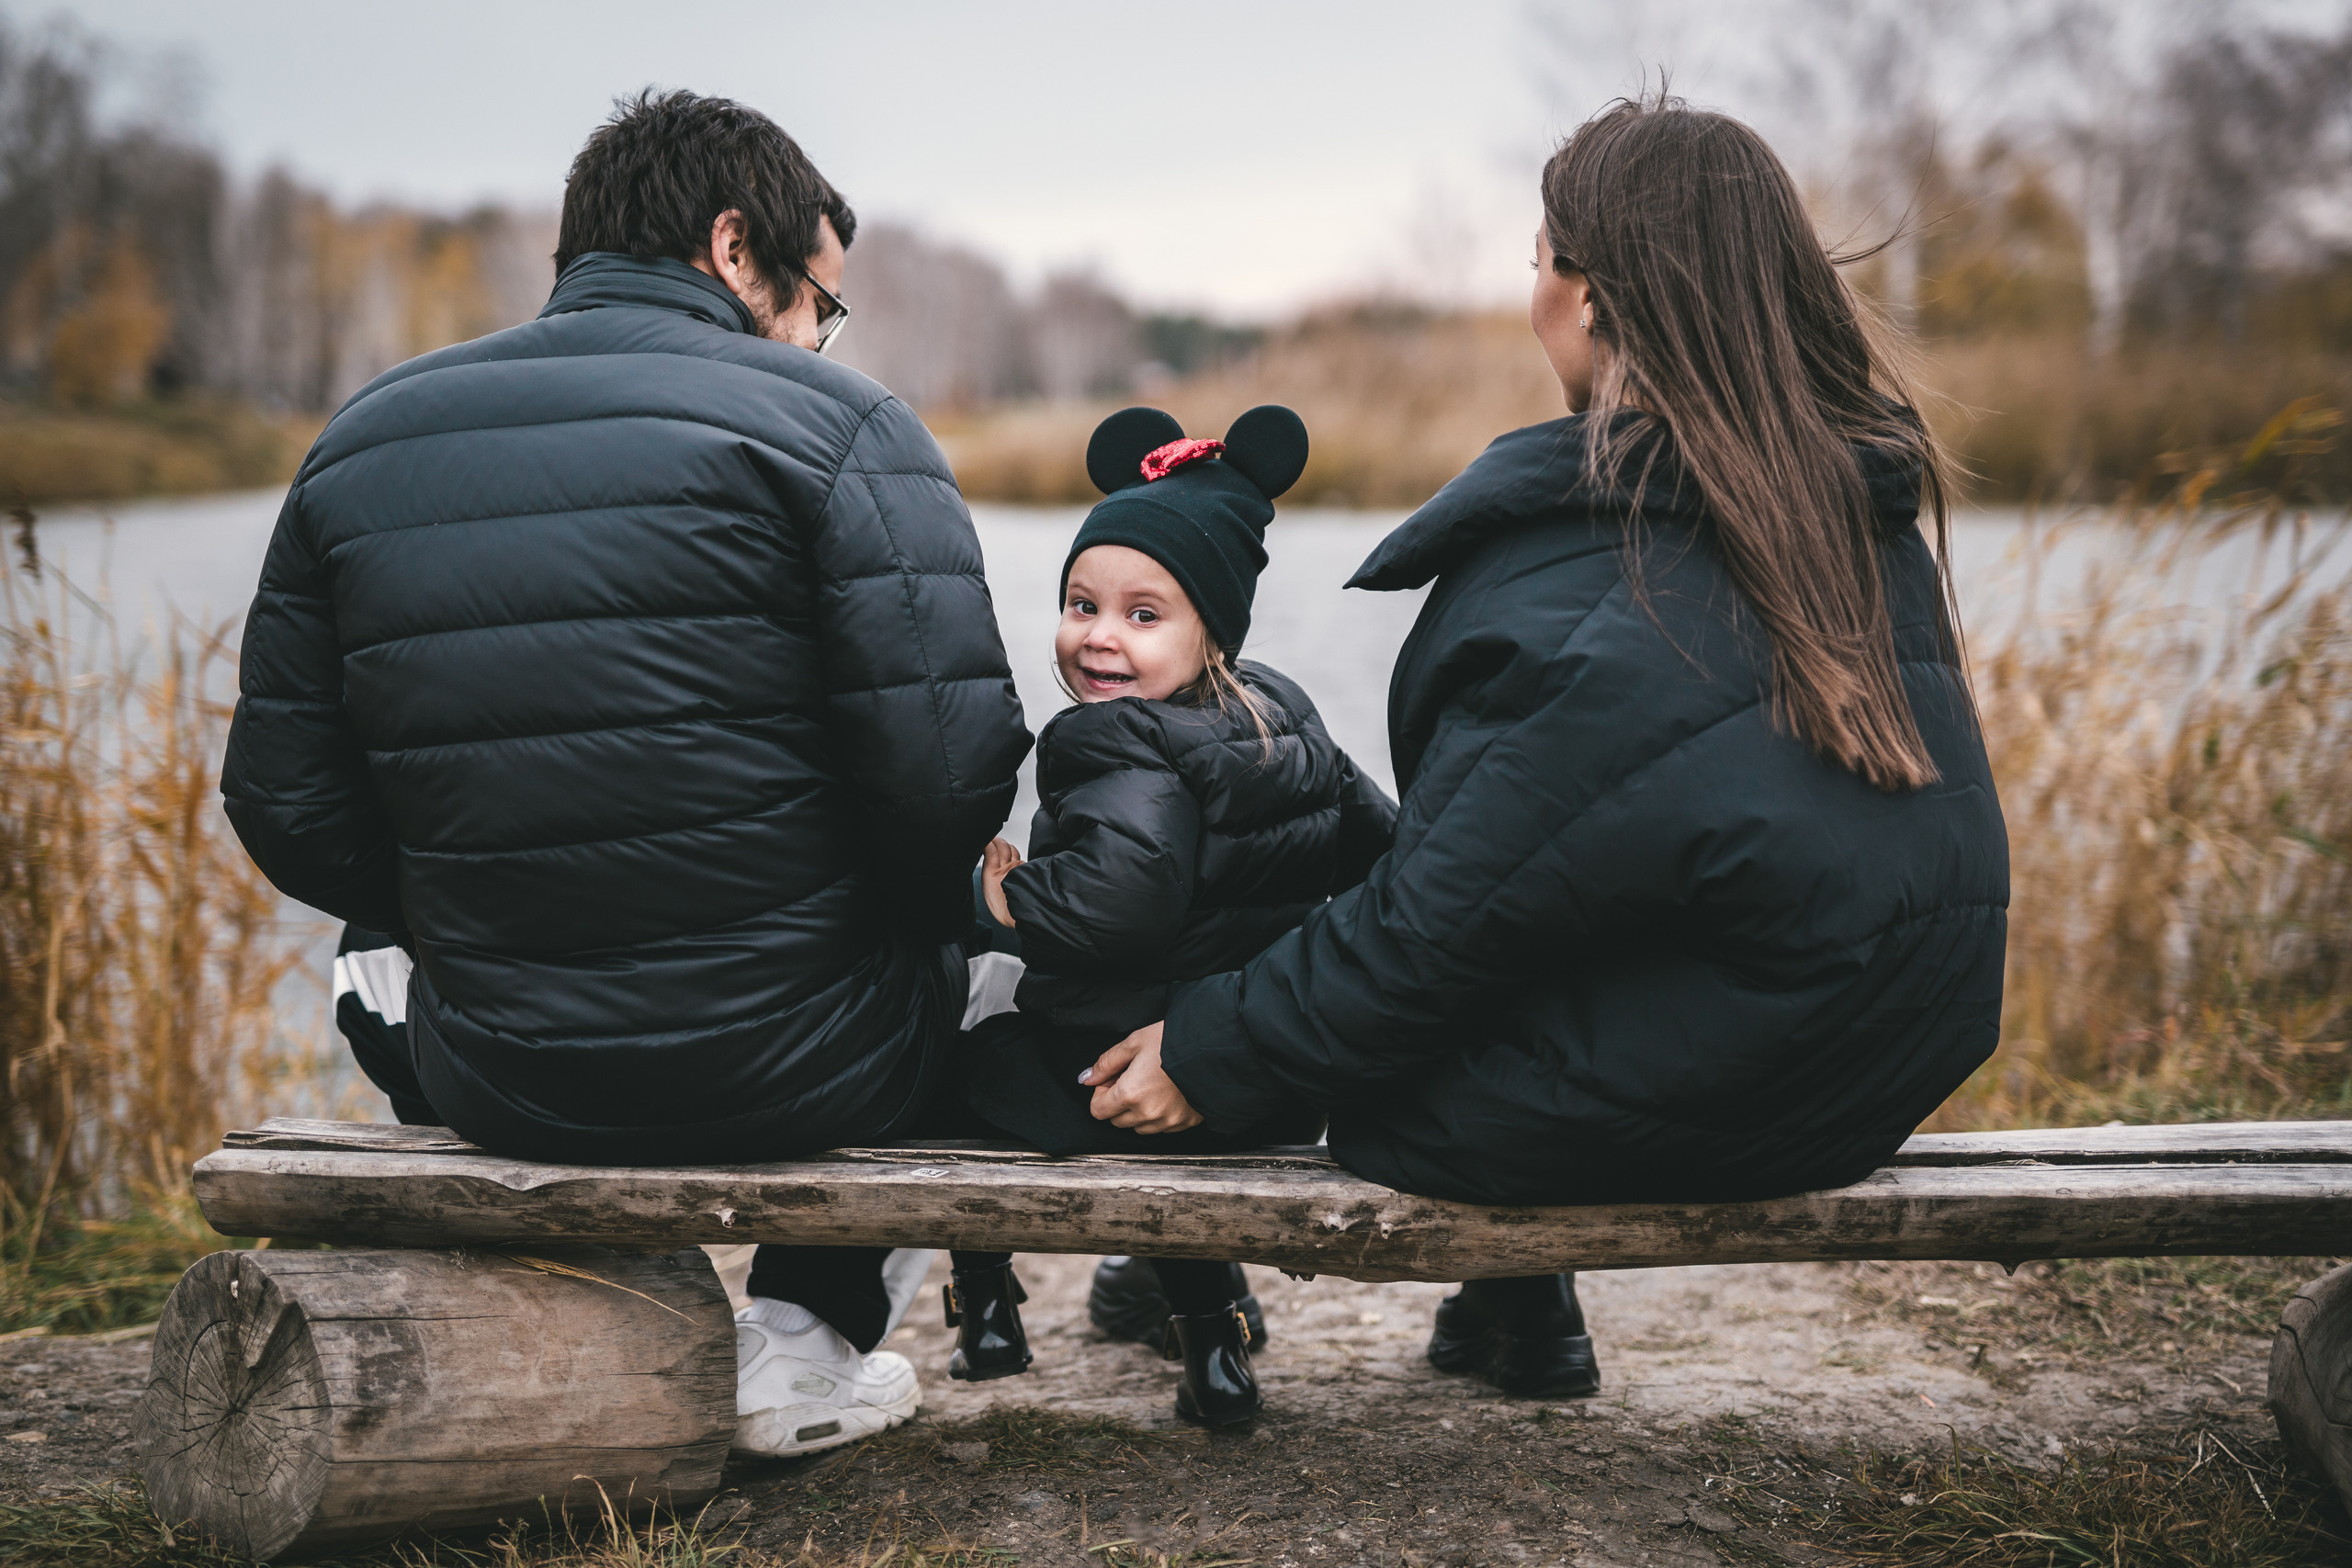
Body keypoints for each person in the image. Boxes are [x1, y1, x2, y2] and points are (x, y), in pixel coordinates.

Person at [1079, 95, 2010, 1401]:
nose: (1534, 297)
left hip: (1721, 1084)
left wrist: (1210, 1048)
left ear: (1586, 296)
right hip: (1877, 1065)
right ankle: (1518, 1313)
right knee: (1523, 896)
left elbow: (1435, 925)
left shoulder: (1599, 560)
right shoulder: (1839, 505)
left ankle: (1190, 1270)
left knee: (1371, 1043)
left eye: (1537, 263)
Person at [222, 90, 1032, 1459]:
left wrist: (472, 889)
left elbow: (290, 808)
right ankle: (800, 1347)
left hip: (502, 1069)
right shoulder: (841, 428)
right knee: (1030, 935)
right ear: (734, 247)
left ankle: (587, 1302)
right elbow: (949, 793)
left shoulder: (364, 441)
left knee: (373, 944)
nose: (821, 338)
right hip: (814, 1065)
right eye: (819, 302)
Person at [927, 404, 1395, 1426]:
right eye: (1081, 603)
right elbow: (1384, 849)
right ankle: (1213, 1359)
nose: (1099, 637)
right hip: (1256, 1081)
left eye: (1144, 616)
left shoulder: (1110, 741)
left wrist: (994, 895)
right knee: (1161, 1144)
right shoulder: (1286, 714)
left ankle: (987, 1306)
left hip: (1119, 1072)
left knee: (961, 1067)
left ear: (1209, 628)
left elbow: (1111, 914)